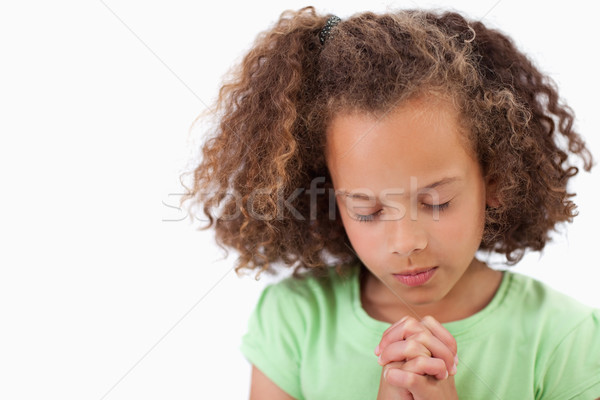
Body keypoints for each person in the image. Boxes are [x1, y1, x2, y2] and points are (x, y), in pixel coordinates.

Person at [179, 6, 600, 399]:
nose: (406, 242)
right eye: (368, 211)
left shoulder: (567, 338)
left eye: (436, 202)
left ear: (495, 180)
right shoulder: (294, 322)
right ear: (328, 197)